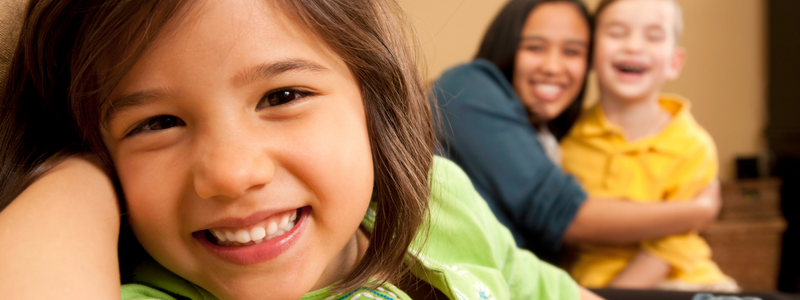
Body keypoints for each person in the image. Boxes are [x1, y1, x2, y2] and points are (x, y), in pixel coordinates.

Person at [0, 0, 603, 299]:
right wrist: (71, 171)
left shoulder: (437, 195)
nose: (232, 173)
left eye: (282, 95)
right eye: (156, 123)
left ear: (372, 99)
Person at [432, 0, 721, 262]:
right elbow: (563, 215)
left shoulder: (551, 138)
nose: (553, 67)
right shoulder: (465, 89)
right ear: (507, 45)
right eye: (534, 47)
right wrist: (697, 211)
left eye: (572, 51)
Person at [560, 0, 738, 292]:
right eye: (617, 32)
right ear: (590, 52)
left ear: (674, 63)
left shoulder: (693, 146)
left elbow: (673, 246)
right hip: (595, 285)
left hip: (686, 283)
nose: (633, 45)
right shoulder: (568, 139)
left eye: (653, 36)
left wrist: (618, 294)